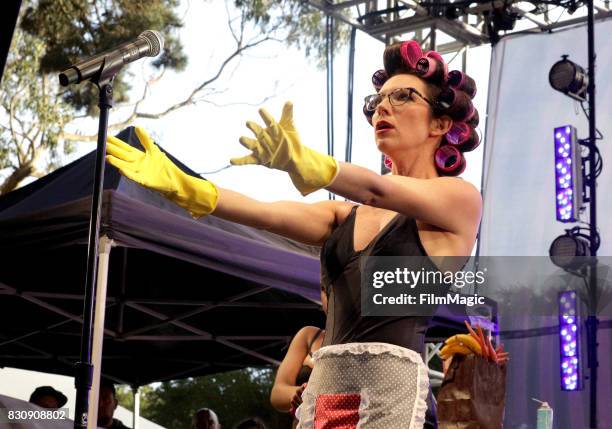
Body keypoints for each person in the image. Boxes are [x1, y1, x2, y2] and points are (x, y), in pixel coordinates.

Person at [105, 39, 481, 428]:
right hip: (329, 395)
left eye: (403, 96)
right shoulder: (343, 214)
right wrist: (187, 188)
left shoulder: (459, 199)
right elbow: (264, 214)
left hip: (396, 401)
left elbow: (377, 188)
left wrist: (313, 164)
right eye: (377, 100)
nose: (382, 107)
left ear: (440, 123)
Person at [270, 285, 327, 417]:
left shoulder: (367, 343)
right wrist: (299, 393)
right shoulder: (309, 335)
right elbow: (277, 393)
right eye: (324, 289)